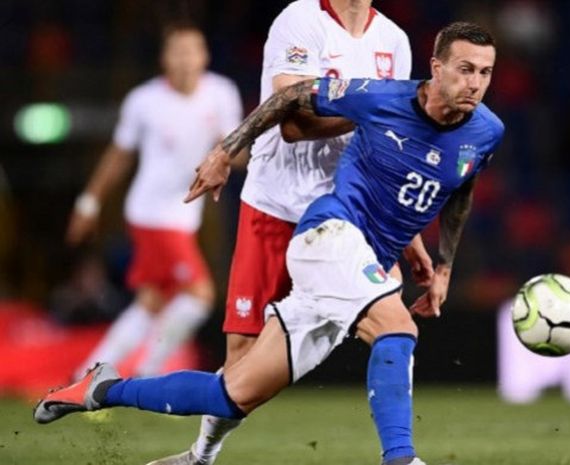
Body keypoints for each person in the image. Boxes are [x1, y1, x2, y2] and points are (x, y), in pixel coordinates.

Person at [35, 22, 504, 465]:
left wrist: (442, 266)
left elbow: (460, 189)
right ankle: (400, 458)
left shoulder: (487, 130)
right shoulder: (381, 97)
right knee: (397, 330)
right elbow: (292, 96)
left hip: (363, 262)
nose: (475, 83)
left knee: (232, 393)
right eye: (465, 69)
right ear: (437, 67)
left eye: (485, 72)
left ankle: (101, 388)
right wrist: (226, 150)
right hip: (329, 236)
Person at [145, 2, 424, 464]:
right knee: (243, 358)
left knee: (393, 326)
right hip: (277, 205)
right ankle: (201, 456)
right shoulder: (300, 20)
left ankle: (400, 455)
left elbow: (387, 148)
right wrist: (375, 111)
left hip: (349, 213)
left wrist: (410, 236)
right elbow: (294, 125)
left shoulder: (393, 40)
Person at [67, 22, 243, 379]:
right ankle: (151, 372)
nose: (185, 59)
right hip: (152, 214)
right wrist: (89, 202)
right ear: (164, 58)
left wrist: (252, 154)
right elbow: (119, 155)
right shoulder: (144, 100)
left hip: (184, 215)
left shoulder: (221, 93)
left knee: (151, 302)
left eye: (192, 50)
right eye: (177, 51)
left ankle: (86, 375)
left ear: (204, 55)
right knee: (200, 295)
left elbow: (234, 151)